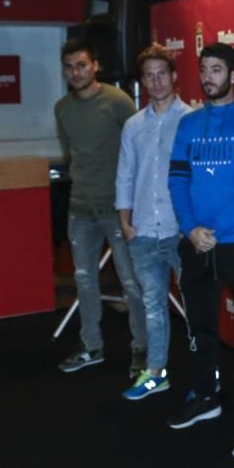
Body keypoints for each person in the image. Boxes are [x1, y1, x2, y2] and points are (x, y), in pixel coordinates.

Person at [166, 42, 234, 434]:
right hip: (195, 244)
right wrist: (190, 229)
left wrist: (217, 232)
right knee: (200, 329)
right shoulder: (189, 124)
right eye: (204, 70)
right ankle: (205, 396)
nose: (209, 77)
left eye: (217, 70)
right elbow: (177, 180)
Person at [55, 39, 147, 375]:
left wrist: (131, 203)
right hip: (80, 209)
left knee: (131, 283)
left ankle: (142, 348)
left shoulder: (117, 101)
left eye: (81, 64)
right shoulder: (62, 108)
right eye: (69, 66)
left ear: (95, 66)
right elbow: (70, 155)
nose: (75, 72)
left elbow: (138, 147)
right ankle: (91, 346)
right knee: (84, 282)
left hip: (117, 209)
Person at [115, 44, 192, 400]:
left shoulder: (191, 119)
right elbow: (125, 175)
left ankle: (204, 376)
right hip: (143, 231)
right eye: (149, 75)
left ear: (174, 76)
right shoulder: (133, 125)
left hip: (182, 230)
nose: (156, 81)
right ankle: (155, 374)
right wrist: (126, 223)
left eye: (162, 73)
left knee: (196, 306)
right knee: (153, 308)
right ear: (142, 81)